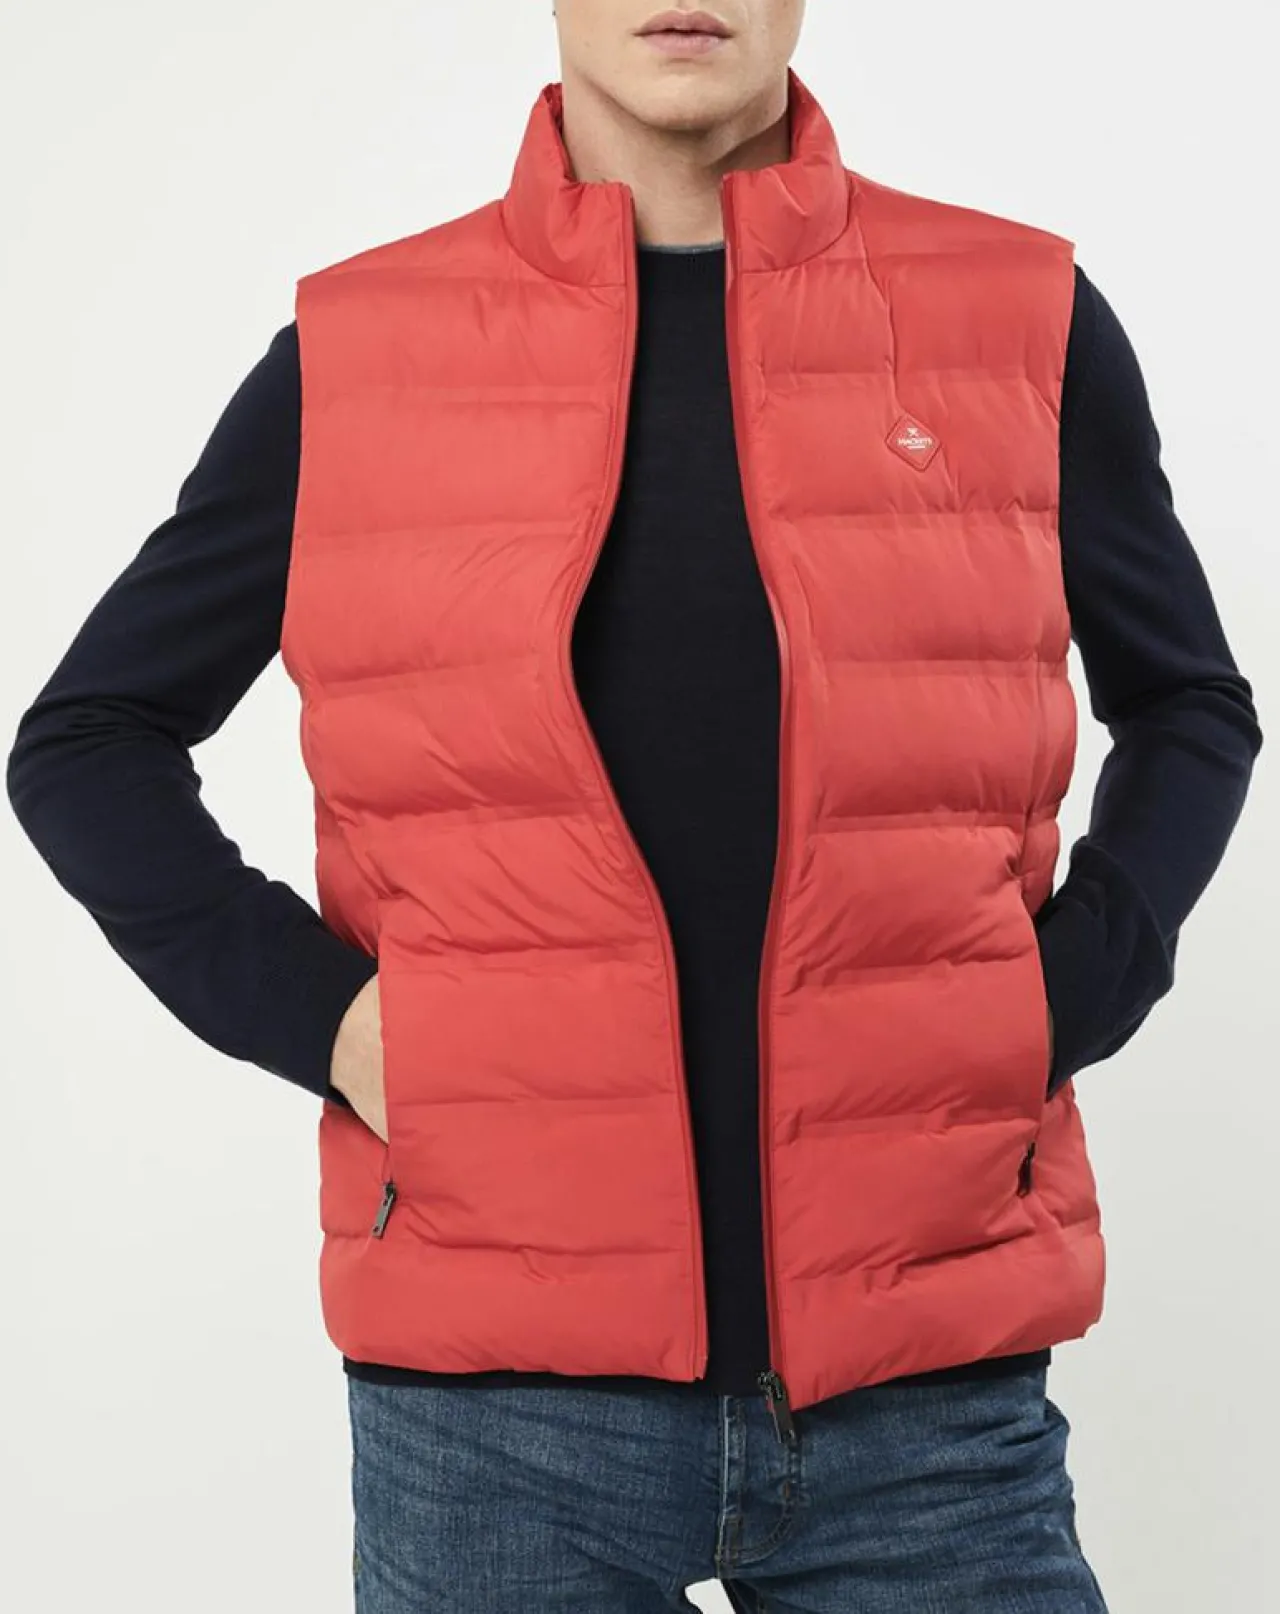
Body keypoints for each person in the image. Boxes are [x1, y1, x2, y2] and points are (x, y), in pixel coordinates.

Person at [6, 2, 1263, 1609]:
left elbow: (1190, 703)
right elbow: (89, 741)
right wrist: (334, 1026)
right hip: (495, 1426)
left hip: (929, 1400)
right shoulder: (358, 352)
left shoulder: (1017, 318)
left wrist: (1064, 992)